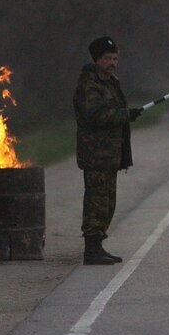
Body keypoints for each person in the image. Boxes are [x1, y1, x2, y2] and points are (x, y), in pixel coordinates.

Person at [73, 36, 143, 265]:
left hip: (109, 154)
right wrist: (126, 115)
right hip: (95, 155)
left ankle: (99, 245)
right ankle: (91, 248)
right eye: (107, 59)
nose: (112, 63)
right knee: (96, 201)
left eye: (114, 58)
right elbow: (95, 115)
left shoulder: (111, 82)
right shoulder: (90, 84)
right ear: (97, 60)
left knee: (108, 202)